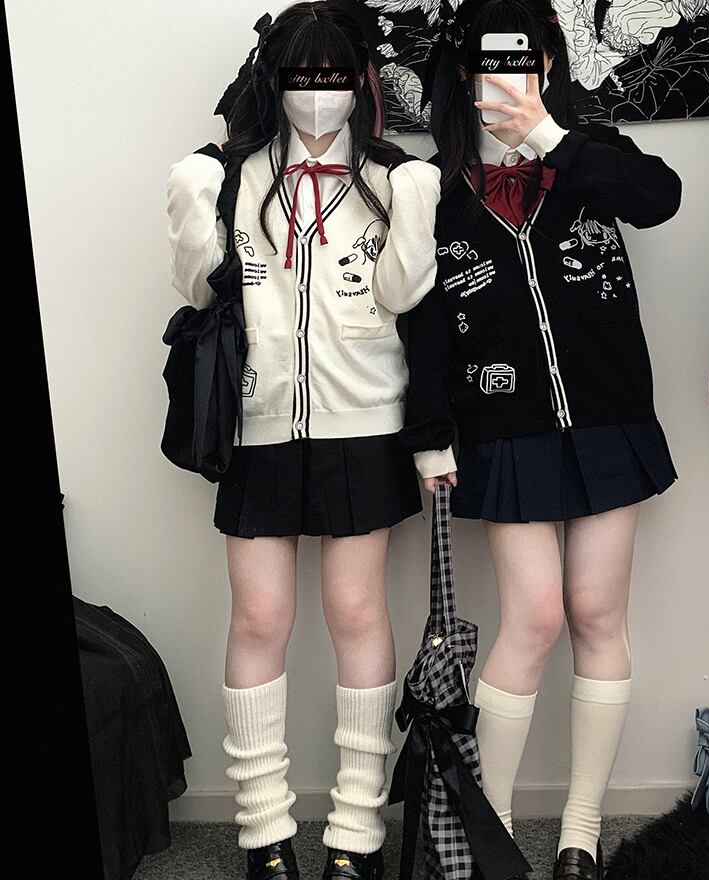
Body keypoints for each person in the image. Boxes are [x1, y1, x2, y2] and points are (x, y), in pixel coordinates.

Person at [399, 1, 682, 877]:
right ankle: (486, 839)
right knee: (535, 618)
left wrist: (550, 137)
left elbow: (661, 199)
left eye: (524, 56)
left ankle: (580, 833)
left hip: (607, 418)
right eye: (490, 59)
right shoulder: (435, 189)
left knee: (597, 613)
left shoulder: (593, 154)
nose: (508, 74)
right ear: (464, 74)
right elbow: (422, 327)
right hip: (504, 431)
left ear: (550, 63)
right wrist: (430, 435)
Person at [165, 3, 440, 878]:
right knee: (259, 617)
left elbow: (404, 295)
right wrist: (191, 202)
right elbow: (200, 292)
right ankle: (263, 833)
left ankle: (357, 833)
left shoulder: (393, 178)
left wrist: (417, 201)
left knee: (357, 613)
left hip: (364, 425)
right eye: (301, 76)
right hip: (257, 424)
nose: (317, 93)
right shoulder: (231, 176)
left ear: (360, 81)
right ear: (274, 79)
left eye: (333, 76)